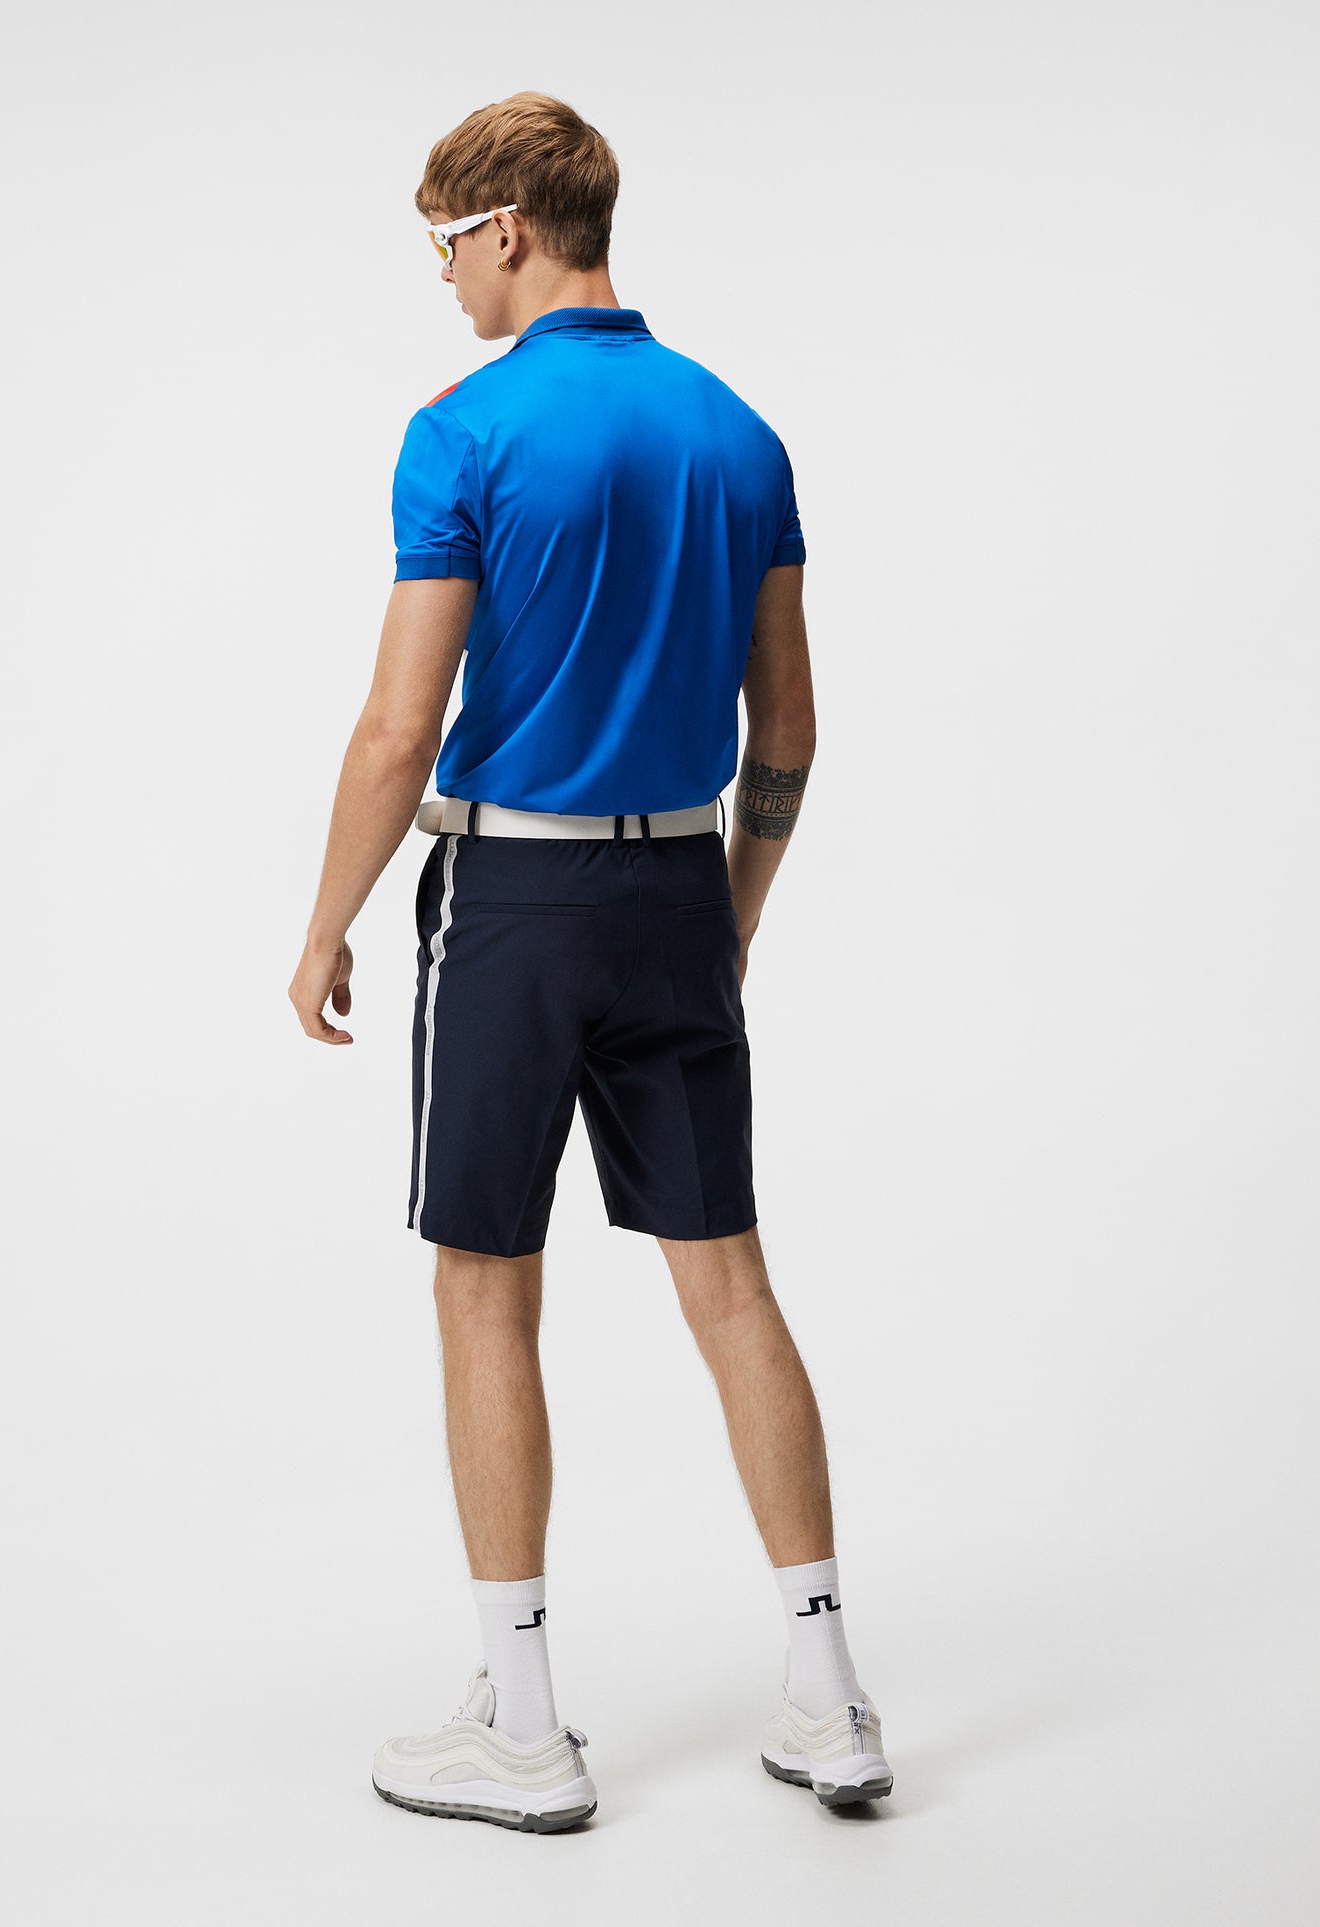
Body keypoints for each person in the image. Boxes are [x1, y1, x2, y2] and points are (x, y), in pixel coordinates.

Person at [288, 91, 894, 1831]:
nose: (441, 278)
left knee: (485, 1281)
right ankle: (830, 1699)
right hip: (675, 895)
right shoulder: (737, 432)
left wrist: (324, 922)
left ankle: (525, 1726)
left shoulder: (462, 431)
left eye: (441, 244)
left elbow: (399, 727)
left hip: (514, 908)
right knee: (730, 1283)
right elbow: (788, 727)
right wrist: (732, 909)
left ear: (504, 228)